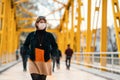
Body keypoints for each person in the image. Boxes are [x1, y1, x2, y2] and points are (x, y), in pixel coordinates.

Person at [23, 16, 58, 80]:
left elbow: (54, 46)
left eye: (44, 22)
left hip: (45, 60)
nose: (43, 24)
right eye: (41, 22)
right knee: (35, 78)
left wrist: (53, 53)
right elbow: (25, 45)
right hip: (33, 60)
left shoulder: (49, 35)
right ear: (37, 23)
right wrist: (28, 52)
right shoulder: (31, 35)